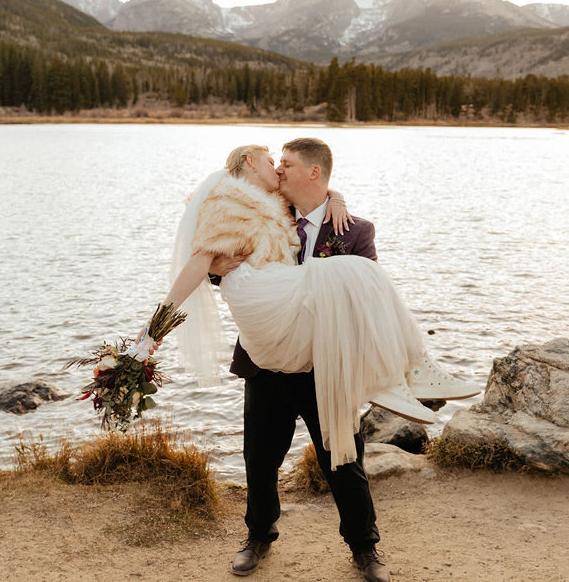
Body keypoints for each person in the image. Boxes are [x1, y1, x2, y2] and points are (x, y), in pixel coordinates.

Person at [164, 138, 477, 581]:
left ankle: (365, 548)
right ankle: (258, 535)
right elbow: (225, 252)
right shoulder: (270, 211)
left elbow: (365, 300)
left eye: (287, 165)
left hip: (326, 367)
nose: (278, 172)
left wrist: (337, 198)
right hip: (268, 364)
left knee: (344, 459)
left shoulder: (353, 230)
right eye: (276, 164)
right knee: (259, 457)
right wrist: (219, 267)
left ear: (314, 174)